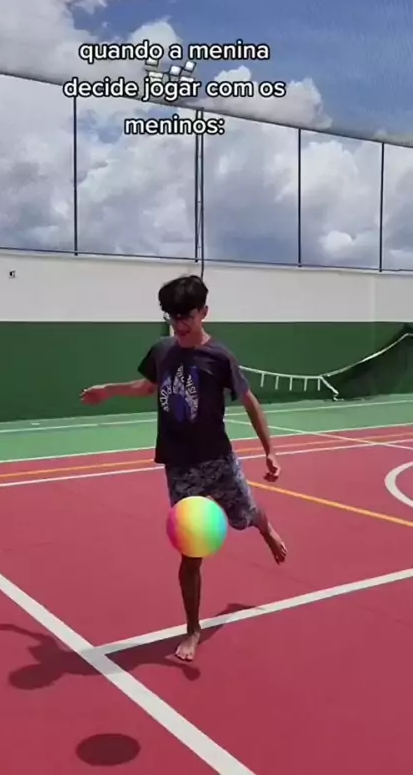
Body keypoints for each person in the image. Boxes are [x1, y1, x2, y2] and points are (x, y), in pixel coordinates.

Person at [81, 275, 287, 662]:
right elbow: (146, 387)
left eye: (186, 317)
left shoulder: (220, 357)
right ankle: (193, 629)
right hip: (180, 467)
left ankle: (265, 527)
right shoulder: (162, 351)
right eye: (172, 317)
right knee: (191, 552)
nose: (179, 325)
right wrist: (108, 390)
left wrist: (269, 451)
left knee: (246, 515)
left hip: (219, 461)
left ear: (204, 312)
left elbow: (250, 401)